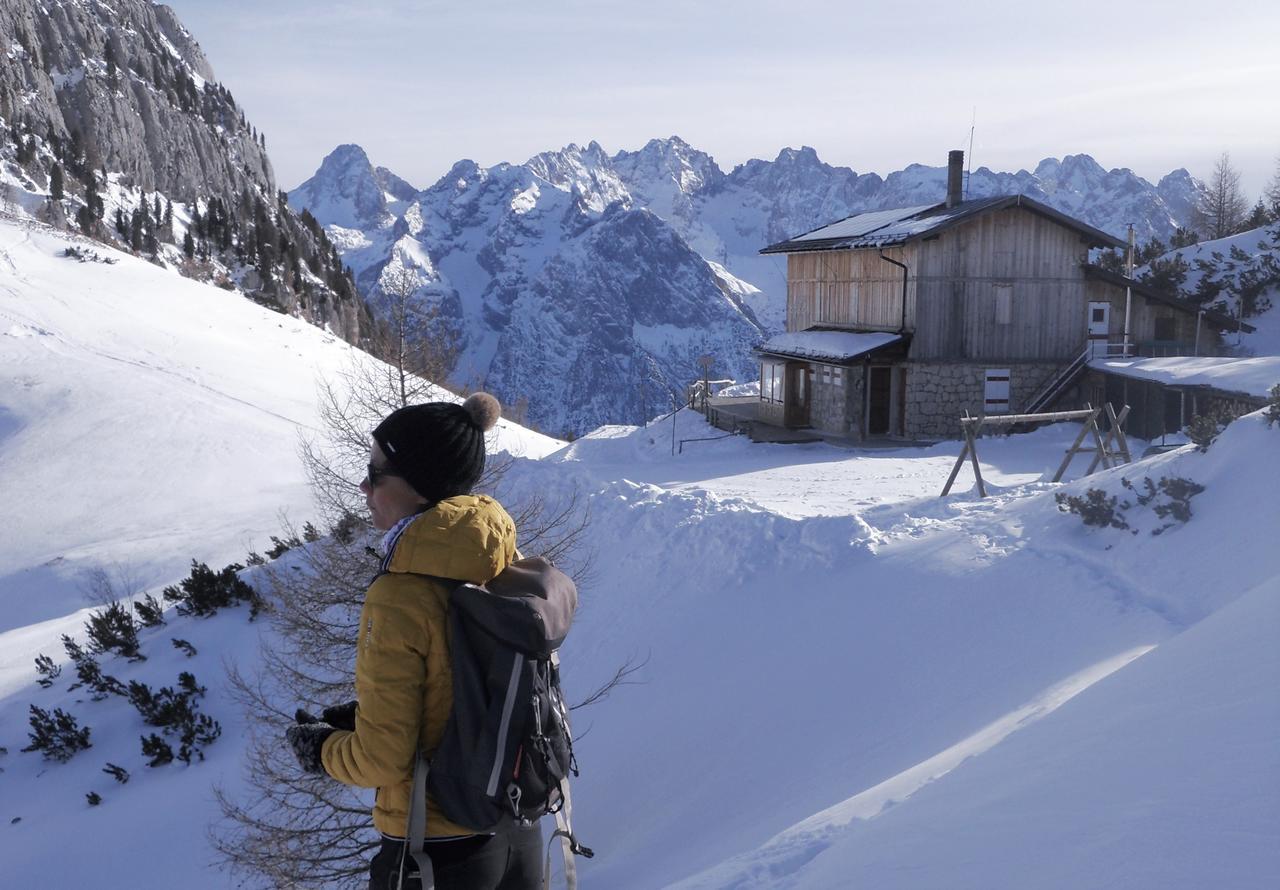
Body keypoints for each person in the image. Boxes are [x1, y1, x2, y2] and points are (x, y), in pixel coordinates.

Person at [286, 392, 543, 890]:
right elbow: (462, 693)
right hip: (516, 834)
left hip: (434, 852)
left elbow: (384, 759)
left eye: (377, 472)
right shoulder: (498, 561)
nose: (364, 486)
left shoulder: (401, 594)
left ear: (420, 487)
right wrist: (366, 716)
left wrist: (321, 751)